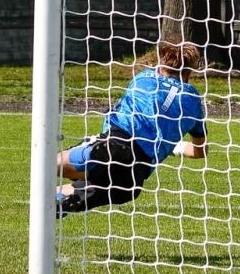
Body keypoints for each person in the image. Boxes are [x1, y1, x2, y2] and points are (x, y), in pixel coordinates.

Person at [56, 40, 207, 216]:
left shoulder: (143, 77)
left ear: (160, 64)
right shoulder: (193, 99)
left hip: (114, 146)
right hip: (135, 176)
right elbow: (200, 151)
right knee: (91, 190)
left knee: (47, 164)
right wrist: (174, 146)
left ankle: (62, 192)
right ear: (189, 72)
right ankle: (62, 198)